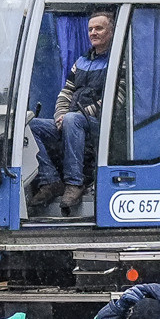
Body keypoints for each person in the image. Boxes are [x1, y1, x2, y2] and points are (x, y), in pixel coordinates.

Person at [28, 11, 112, 217]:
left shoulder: (118, 60)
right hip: (72, 120)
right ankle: (51, 180)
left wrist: (72, 117)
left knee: (73, 120)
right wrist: (60, 114)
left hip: (102, 124)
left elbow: (116, 101)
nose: (93, 32)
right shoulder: (82, 60)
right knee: (31, 124)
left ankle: (75, 183)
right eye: (90, 29)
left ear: (111, 31)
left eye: (99, 28)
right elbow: (66, 91)